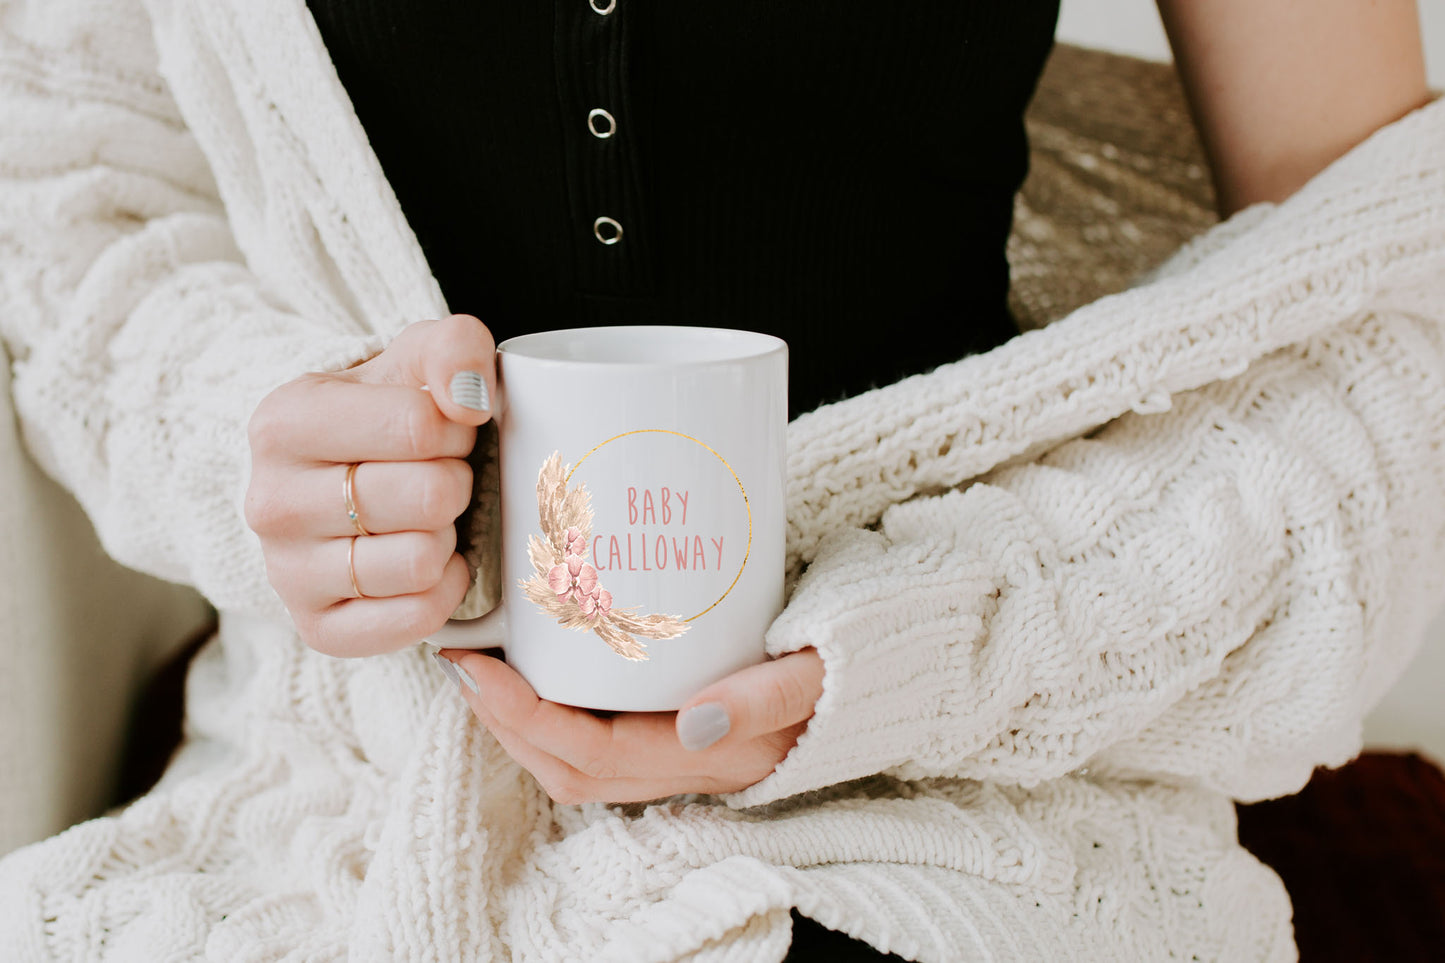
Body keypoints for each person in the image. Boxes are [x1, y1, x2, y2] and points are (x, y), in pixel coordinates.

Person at [0, 0, 1440, 959]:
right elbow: (73, 210)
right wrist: (273, 438)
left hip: (977, 791)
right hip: (339, 793)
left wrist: (933, 654)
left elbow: (1391, 330)